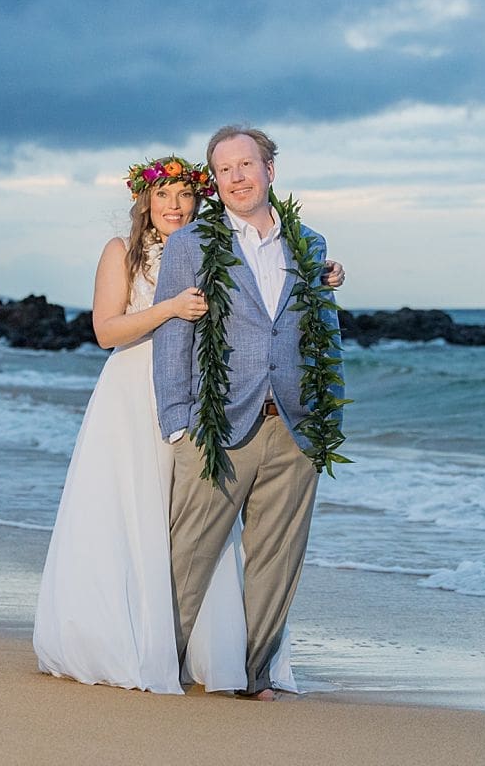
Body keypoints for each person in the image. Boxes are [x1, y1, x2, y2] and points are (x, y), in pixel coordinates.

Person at [32, 154, 344, 694]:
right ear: (144, 202)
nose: (175, 206)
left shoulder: (214, 244)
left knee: (193, 532)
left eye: (184, 195)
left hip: (203, 395)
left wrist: (324, 277)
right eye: (163, 196)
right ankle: (131, 640)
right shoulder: (124, 252)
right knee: (139, 521)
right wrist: (171, 307)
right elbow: (107, 331)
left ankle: (215, 657)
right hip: (135, 392)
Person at [153, 125, 344, 701]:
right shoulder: (192, 243)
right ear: (215, 180)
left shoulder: (308, 243)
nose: (237, 178)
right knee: (189, 555)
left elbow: (324, 330)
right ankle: (164, 668)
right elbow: (172, 330)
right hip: (218, 426)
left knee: (277, 560)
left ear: (270, 170)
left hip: (293, 424)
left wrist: (327, 414)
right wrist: (177, 419)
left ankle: (254, 676)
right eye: (225, 169)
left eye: (247, 165)